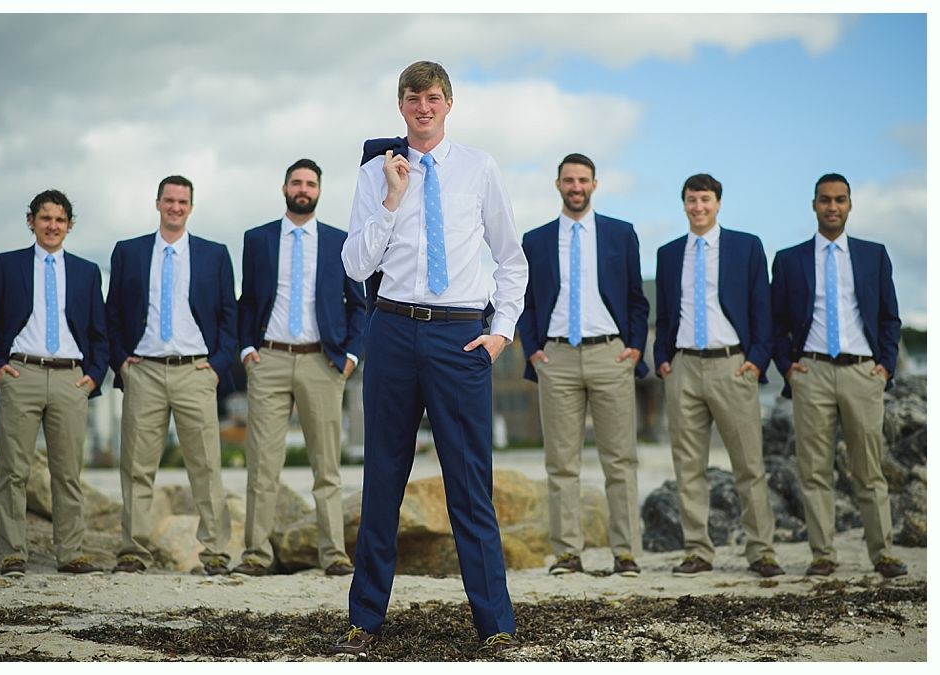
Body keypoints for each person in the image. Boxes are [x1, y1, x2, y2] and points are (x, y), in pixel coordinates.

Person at [332, 60, 528, 657]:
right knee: (382, 482)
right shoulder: (375, 172)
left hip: (459, 339)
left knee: (470, 486)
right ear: (401, 106)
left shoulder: (479, 168)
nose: (424, 107)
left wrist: (501, 332)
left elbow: (512, 258)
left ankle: (495, 623)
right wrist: (392, 199)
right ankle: (364, 620)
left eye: (434, 97)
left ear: (449, 104)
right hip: (391, 332)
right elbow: (355, 265)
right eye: (414, 98)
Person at [233, 159, 366, 577]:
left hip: (321, 362)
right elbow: (247, 300)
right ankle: (255, 554)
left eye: (310, 183)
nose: (303, 188)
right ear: (284, 187)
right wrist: (247, 349)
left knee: (326, 466)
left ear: (319, 191)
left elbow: (358, 305)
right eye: (296, 182)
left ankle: (334, 555)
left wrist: (349, 357)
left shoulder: (338, 242)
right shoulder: (257, 240)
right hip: (268, 359)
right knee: (262, 463)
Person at [517, 153, 649, 577]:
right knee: (561, 462)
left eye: (583, 180)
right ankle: (567, 553)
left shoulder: (620, 234)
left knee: (620, 459)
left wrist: (634, 347)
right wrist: (534, 349)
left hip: (609, 354)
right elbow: (527, 302)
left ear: (595, 184)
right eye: (569, 180)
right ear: (558, 184)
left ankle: (625, 552)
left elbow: (635, 299)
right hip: (555, 357)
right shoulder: (535, 240)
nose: (576, 187)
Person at [770, 173, 906, 579]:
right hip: (811, 372)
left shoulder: (873, 255)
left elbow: (889, 318)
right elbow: (777, 322)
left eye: (840, 200)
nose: (832, 207)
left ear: (850, 205)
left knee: (869, 468)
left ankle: (882, 554)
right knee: (814, 469)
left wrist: (884, 366)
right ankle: (823, 555)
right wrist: (788, 367)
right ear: (814, 205)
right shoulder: (790, 259)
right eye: (825, 200)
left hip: (862, 372)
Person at [654, 174, 784, 578]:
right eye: (692, 200)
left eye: (705, 200)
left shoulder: (746, 247)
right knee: (688, 465)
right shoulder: (669, 252)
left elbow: (763, 307)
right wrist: (663, 357)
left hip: (733, 365)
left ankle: (761, 551)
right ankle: (697, 551)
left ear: (718, 203)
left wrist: (758, 359)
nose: (698, 207)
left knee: (749, 464)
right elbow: (665, 311)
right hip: (684, 368)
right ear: (684, 204)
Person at [106, 175, 236, 575]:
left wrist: (216, 365)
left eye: (183, 201)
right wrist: (121, 361)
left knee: (206, 466)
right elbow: (112, 314)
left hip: (195, 370)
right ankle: (133, 550)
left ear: (191, 207)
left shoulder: (214, 254)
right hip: (142, 370)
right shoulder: (129, 252)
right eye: (169, 200)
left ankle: (215, 552)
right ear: (157, 203)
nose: (175, 207)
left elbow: (229, 314)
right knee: (137, 466)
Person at [0, 189, 108, 576]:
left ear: (69, 226)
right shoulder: (7, 265)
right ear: (31, 221)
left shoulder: (87, 272)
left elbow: (99, 333)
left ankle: (70, 553)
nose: (53, 225)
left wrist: (93, 376)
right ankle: (13, 553)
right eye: (45, 218)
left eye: (60, 219)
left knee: (67, 473)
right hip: (22, 374)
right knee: (13, 469)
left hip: (71, 378)